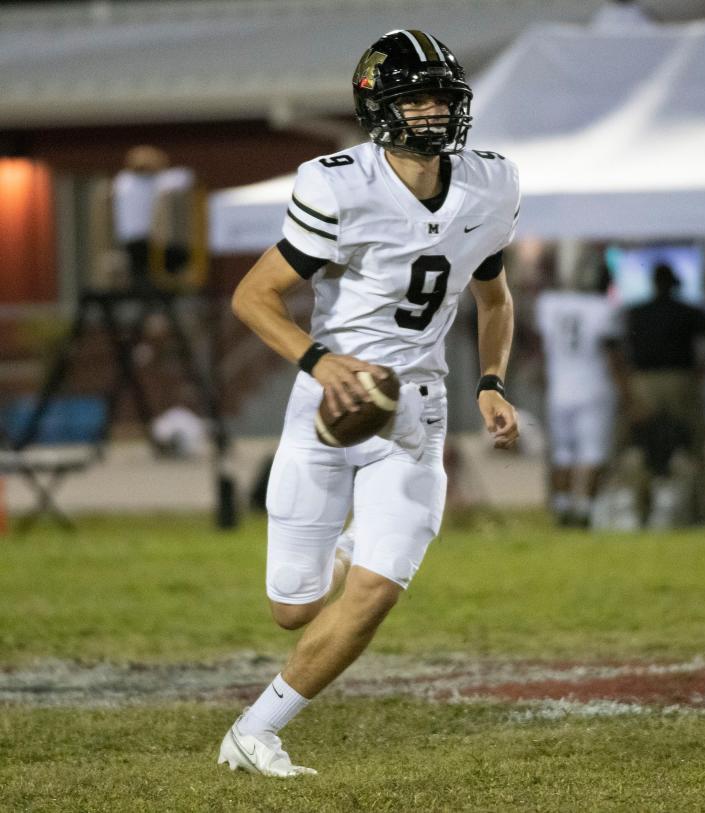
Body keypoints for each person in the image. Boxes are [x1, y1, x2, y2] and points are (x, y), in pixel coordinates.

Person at [218, 29, 521, 778]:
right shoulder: (337, 185)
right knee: (294, 607)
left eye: (443, 98)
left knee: (377, 590)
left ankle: (257, 729)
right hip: (327, 405)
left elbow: (495, 298)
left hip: (416, 409)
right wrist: (321, 362)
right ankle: (352, 542)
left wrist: (490, 380)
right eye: (416, 98)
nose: (433, 113)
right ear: (377, 107)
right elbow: (253, 297)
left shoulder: (492, 185)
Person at [622, 262, 705, 524]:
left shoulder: (637, 312)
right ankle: (699, 513)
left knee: (646, 448)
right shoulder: (688, 311)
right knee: (691, 445)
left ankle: (642, 511)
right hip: (680, 380)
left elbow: (624, 350)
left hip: (645, 382)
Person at [534, 251, 622, 527]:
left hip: (560, 389)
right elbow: (612, 356)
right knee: (592, 453)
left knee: (563, 453)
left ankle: (561, 506)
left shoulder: (552, 304)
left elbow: (540, 344)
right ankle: (584, 509)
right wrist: (627, 392)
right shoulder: (605, 309)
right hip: (594, 387)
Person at [111, 145, 192, 291]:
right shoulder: (154, 182)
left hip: (136, 238)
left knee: (145, 270)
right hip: (142, 238)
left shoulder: (123, 181)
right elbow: (184, 177)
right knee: (169, 262)